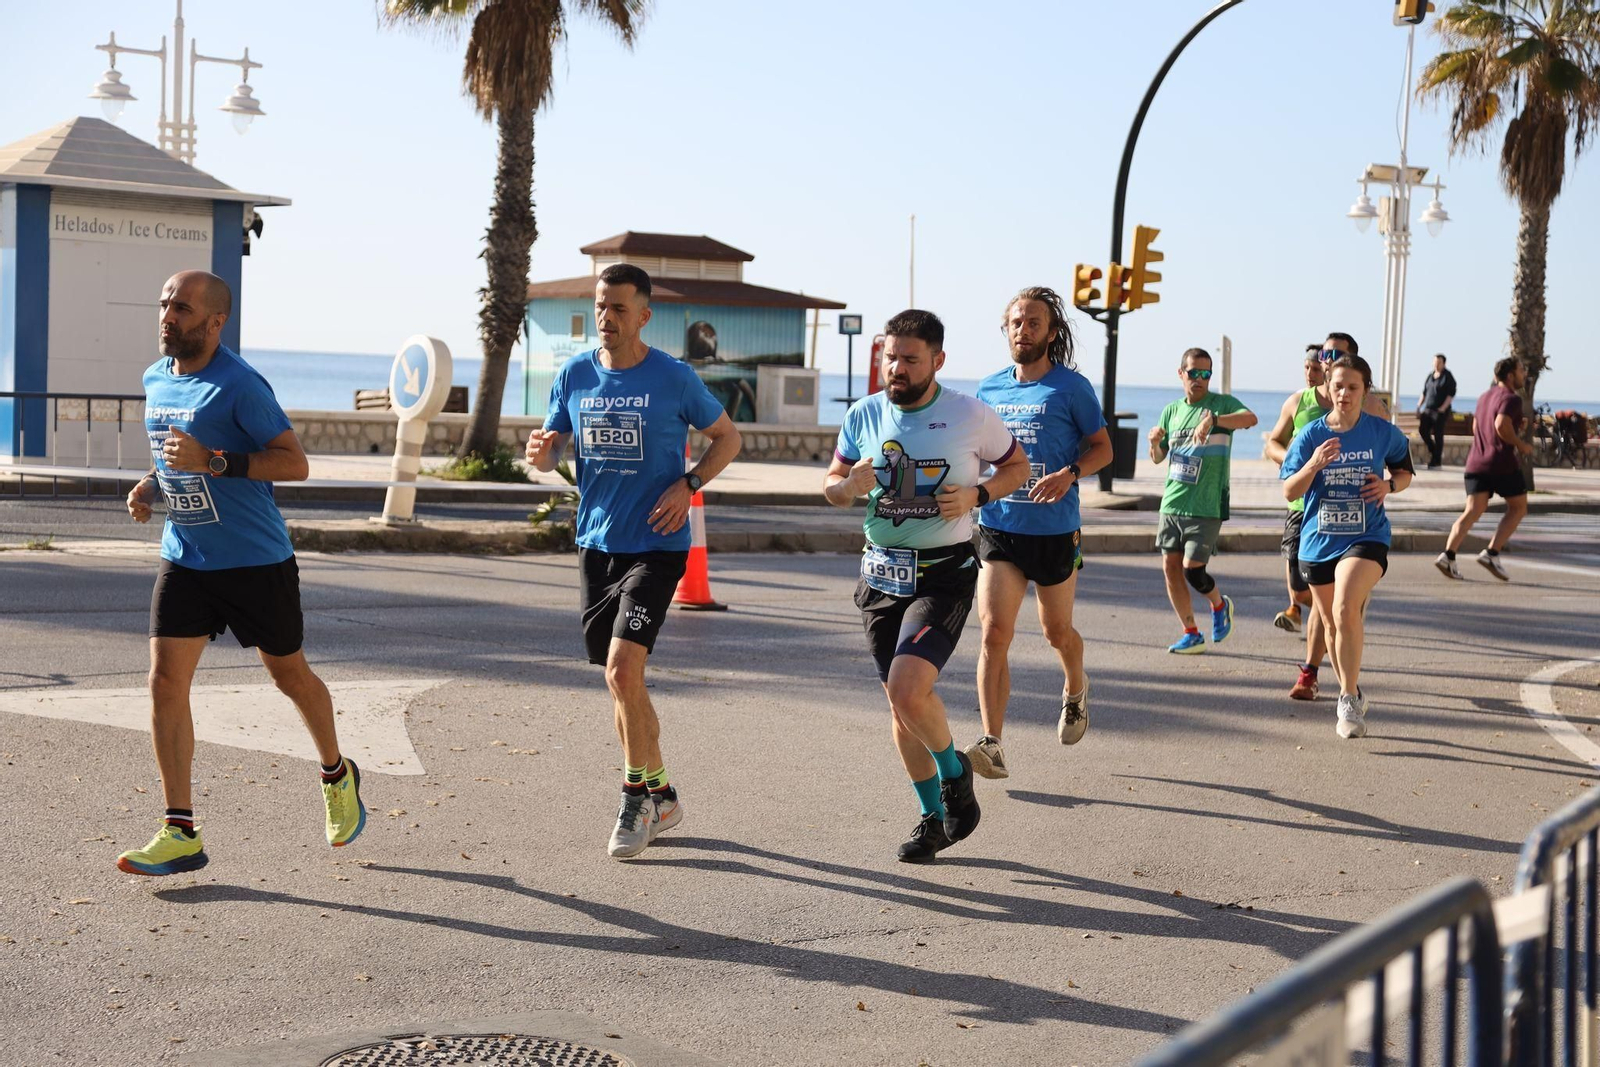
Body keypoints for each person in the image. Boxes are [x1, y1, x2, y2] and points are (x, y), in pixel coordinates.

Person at [117, 270, 365, 876]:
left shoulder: (239, 384)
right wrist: (153, 484)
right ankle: (180, 830)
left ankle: (337, 772)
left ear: (215, 321)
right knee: (164, 681)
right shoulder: (157, 378)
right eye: (165, 304)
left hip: (255, 561)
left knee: (289, 675)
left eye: (182, 307)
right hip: (187, 554)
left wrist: (215, 460)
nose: (167, 316)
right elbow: (175, 460)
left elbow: (295, 463)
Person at [527, 264, 743, 859]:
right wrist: (542, 453)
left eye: (619, 308)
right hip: (596, 542)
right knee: (622, 682)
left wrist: (690, 483)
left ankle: (633, 801)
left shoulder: (673, 377)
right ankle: (663, 791)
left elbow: (728, 438)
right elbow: (550, 453)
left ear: (643, 315)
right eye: (600, 306)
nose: (606, 318)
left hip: (656, 544)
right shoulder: (574, 374)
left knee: (623, 671)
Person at [824, 309, 1028, 863]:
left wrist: (978, 496)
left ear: (937, 361)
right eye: (890, 356)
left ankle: (955, 774)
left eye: (910, 359)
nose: (897, 367)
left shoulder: (969, 414)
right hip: (880, 573)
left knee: (909, 687)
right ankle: (933, 818)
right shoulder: (864, 414)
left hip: (942, 572)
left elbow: (1018, 467)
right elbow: (831, 486)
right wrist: (847, 487)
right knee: (900, 706)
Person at [966, 287, 1112, 779]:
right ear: (1005, 330)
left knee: (1056, 632)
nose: (1022, 330)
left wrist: (1070, 473)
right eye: (1015, 322)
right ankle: (992, 741)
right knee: (993, 632)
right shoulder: (988, 390)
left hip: (1054, 531)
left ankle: (1075, 688)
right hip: (999, 526)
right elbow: (975, 452)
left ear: (1051, 332)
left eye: (1033, 323)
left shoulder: (1072, 388)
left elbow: (1102, 448)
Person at [1281, 352, 1414, 738]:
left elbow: (1405, 472)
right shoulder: (1312, 434)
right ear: (1328, 386)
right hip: (1318, 540)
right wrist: (1313, 465)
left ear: (1364, 390)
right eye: (1337, 386)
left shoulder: (1379, 431)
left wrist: (1388, 486)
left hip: (1367, 534)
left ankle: (1346, 702)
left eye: (1352, 387)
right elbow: (1289, 488)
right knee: (1332, 624)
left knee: (1344, 606)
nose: (1344, 394)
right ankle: (1351, 692)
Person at [1263, 333, 1390, 700]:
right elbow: (1273, 441)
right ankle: (1320, 655)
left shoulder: (1372, 410)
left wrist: (1388, 485)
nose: (1325, 359)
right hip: (1303, 511)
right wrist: (1297, 462)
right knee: (1309, 594)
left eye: (1335, 355)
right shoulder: (1299, 402)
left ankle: (1314, 674)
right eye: (1324, 354)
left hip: (1355, 521)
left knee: (1340, 605)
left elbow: (1389, 450)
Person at [1147, 348, 1257, 654]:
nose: (1199, 379)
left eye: (1205, 374)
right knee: (1171, 568)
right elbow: (1158, 458)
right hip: (1172, 502)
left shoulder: (1220, 404)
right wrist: (1155, 443)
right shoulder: (1171, 411)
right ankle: (1191, 632)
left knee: (1192, 569)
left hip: (1206, 503)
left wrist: (1216, 420)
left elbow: (1251, 418)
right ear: (1181, 374)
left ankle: (1220, 604)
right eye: (1193, 373)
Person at [1436, 357, 1533, 581]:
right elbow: (1500, 425)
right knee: (1518, 507)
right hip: (1501, 463)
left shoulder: (1483, 397)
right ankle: (1491, 553)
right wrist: (1520, 444)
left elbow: (1477, 426)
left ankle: (1448, 555)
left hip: (1476, 462)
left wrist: (1511, 427)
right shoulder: (1512, 398)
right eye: (1521, 370)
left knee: (1473, 509)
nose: (1524, 374)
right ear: (1510, 376)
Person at [1417, 353, 1457, 469]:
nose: (1436, 364)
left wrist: (1443, 408)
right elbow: (1424, 392)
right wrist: (1419, 406)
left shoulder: (1448, 376)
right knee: (1423, 430)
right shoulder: (1430, 376)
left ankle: (1436, 460)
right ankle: (1433, 450)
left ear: (1443, 363)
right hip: (1428, 409)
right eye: (1434, 362)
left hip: (1440, 411)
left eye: (1439, 362)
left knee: (1438, 435)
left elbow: (1451, 394)